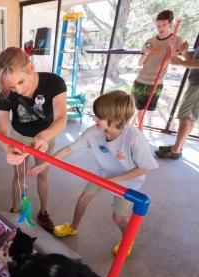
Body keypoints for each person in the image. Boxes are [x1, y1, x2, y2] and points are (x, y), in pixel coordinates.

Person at [28, 91, 158, 256]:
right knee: (83, 199)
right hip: (104, 173)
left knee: (118, 217)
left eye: (99, 117)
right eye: (96, 115)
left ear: (117, 120)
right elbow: (69, 149)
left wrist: (117, 180)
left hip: (127, 181)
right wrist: (43, 165)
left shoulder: (134, 138)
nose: (94, 119)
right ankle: (73, 227)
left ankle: (127, 239)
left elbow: (145, 167)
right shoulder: (94, 132)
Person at [0, 47, 67, 233]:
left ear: (31, 67)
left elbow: (61, 119)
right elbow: (2, 127)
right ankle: (15, 209)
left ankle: (43, 211)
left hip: (46, 135)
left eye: (21, 81)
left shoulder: (54, 83)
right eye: (12, 87)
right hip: (19, 137)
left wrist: (44, 136)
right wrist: (8, 147)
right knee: (18, 175)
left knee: (43, 174)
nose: (18, 90)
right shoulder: (6, 92)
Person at [132, 10, 183, 125]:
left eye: (164, 25)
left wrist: (172, 47)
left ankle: (136, 134)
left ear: (170, 23)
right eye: (158, 25)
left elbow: (175, 61)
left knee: (142, 111)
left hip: (156, 83)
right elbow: (140, 63)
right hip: (140, 80)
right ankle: (138, 134)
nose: (160, 28)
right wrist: (145, 54)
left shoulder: (176, 40)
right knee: (136, 111)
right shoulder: (150, 41)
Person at [155, 41, 199, 159]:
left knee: (185, 116)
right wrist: (184, 53)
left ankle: (175, 151)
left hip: (197, 86)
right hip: (195, 83)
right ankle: (178, 146)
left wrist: (180, 62)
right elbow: (194, 59)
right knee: (190, 117)